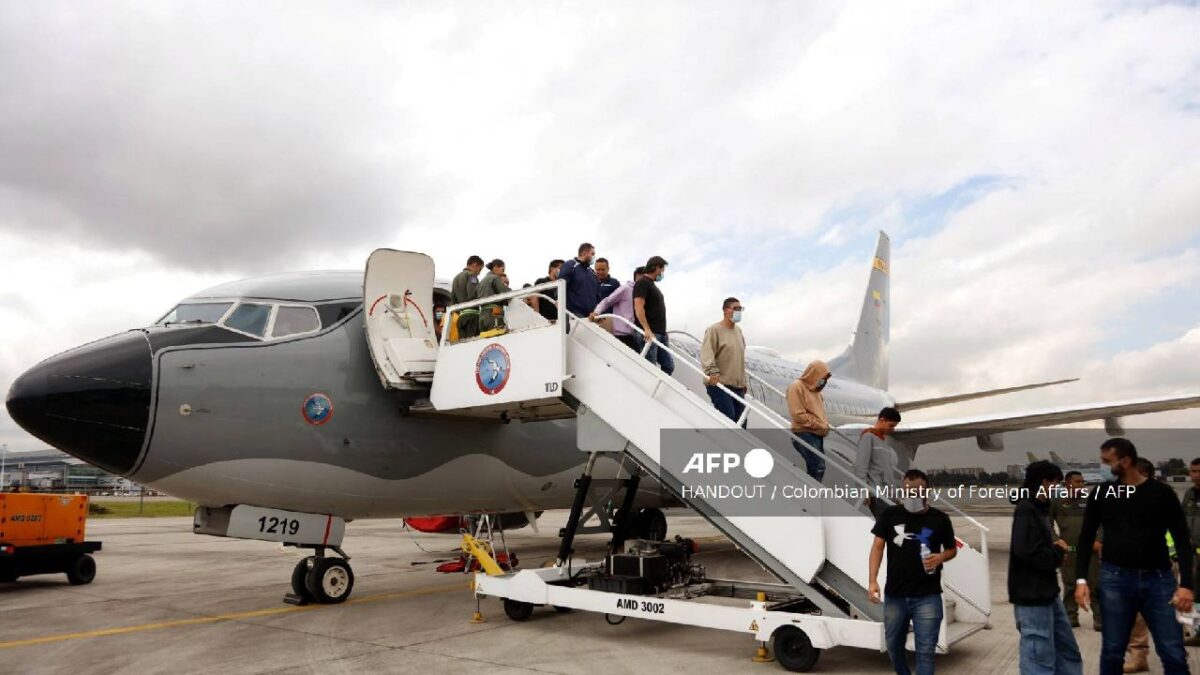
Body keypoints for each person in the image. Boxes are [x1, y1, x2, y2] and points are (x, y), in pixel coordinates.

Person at [1074, 438, 1193, 675]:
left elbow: (1181, 539)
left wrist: (1186, 585)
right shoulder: (1102, 493)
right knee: (1112, 650)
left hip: (1159, 580)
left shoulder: (1161, 493)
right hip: (1115, 578)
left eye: (1106, 461)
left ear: (1125, 461)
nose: (1102, 467)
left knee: (1173, 652)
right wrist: (1081, 580)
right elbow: (1086, 539)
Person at [867, 469, 957, 675]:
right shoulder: (890, 515)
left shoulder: (940, 519)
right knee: (894, 647)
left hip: (928, 596)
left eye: (918, 491)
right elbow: (877, 547)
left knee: (925, 652)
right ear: (902, 490)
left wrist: (941, 557)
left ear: (927, 492)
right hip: (895, 595)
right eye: (908, 491)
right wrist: (872, 581)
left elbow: (951, 549)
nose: (913, 496)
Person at [1009, 460, 1084, 675]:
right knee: (1038, 658)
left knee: (1067, 650)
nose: (1058, 489)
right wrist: (1058, 553)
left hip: (1047, 591)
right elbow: (1026, 551)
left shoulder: (1038, 508)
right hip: (1031, 595)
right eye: (1056, 484)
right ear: (1045, 482)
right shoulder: (1027, 509)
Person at [1050, 470, 1102, 630]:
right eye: (1078, 482)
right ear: (1067, 483)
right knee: (1070, 585)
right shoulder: (1056, 502)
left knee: (1095, 585)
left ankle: (1100, 618)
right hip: (1069, 552)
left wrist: (1099, 539)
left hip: (1090, 552)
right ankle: (1070, 617)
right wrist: (1056, 540)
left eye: (1083, 482)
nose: (1082, 485)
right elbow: (1047, 523)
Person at [700, 297, 748, 425]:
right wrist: (711, 372)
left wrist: (743, 381)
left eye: (740, 309)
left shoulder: (739, 332)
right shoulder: (714, 330)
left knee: (742, 423)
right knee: (728, 419)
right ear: (726, 310)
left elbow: (740, 358)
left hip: (737, 386)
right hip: (719, 384)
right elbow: (707, 353)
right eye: (736, 309)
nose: (739, 312)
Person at [786, 360, 831, 481]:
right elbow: (797, 414)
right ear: (814, 374)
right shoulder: (797, 387)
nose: (824, 381)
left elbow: (819, 414)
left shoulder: (817, 392)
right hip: (804, 433)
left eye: (826, 379)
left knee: (819, 467)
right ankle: (810, 495)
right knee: (817, 466)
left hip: (817, 434)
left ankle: (810, 495)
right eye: (823, 378)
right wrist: (819, 425)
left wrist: (823, 426)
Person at [856, 407, 901, 518]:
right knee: (888, 529)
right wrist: (863, 490)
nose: (893, 429)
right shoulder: (868, 437)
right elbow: (861, 466)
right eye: (891, 425)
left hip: (887, 495)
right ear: (882, 420)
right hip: (877, 495)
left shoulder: (883, 442)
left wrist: (895, 496)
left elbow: (887, 470)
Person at [633, 256, 673, 375]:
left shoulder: (652, 285)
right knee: (650, 369)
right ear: (657, 268)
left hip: (660, 334)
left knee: (668, 366)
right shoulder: (642, 283)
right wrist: (646, 329)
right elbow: (638, 306)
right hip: (650, 334)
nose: (662, 274)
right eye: (662, 270)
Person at [591, 266, 644, 352]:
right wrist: (596, 312)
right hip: (622, 333)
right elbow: (607, 301)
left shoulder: (643, 294)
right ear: (638, 277)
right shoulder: (626, 289)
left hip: (636, 333)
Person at [559, 243, 600, 318]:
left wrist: (597, 311)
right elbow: (561, 284)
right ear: (584, 253)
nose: (594, 257)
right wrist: (557, 299)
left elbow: (597, 294)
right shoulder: (570, 265)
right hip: (575, 315)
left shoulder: (592, 272)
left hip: (591, 317)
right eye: (592, 254)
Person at [451, 255, 485, 340]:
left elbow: (453, 301)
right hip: (472, 317)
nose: (479, 272)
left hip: (461, 318)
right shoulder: (472, 275)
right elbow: (473, 294)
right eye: (480, 269)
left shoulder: (455, 278)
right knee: (473, 346)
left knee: (463, 347)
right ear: (474, 264)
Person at [475, 259, 511, 336]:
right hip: (493, 315)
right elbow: (506, 293)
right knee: (498, 340)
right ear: (496, 267)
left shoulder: (482, 281)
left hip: (482, 316)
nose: (503, 272)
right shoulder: (495, 278)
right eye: (503, 269)